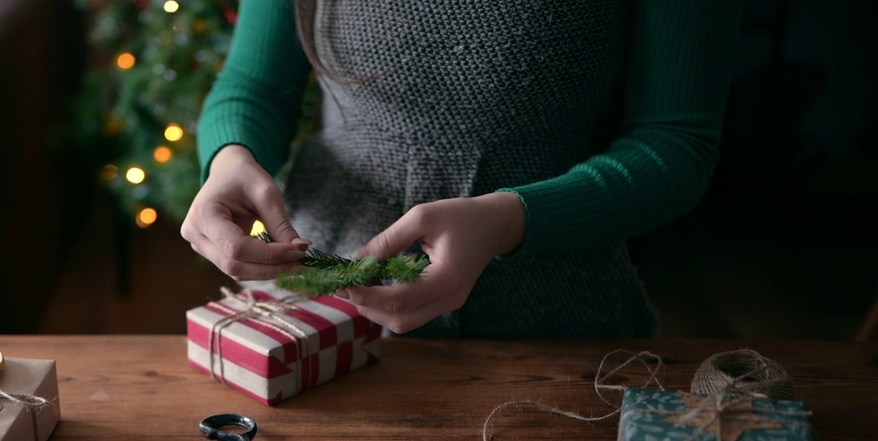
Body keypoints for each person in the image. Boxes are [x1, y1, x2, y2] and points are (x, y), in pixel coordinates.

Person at [181, 0, 745, 337]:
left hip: (554, 336)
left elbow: (677, 140)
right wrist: (230, 156)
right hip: (319, 314)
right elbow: (256, 86)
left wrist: (510, 220)